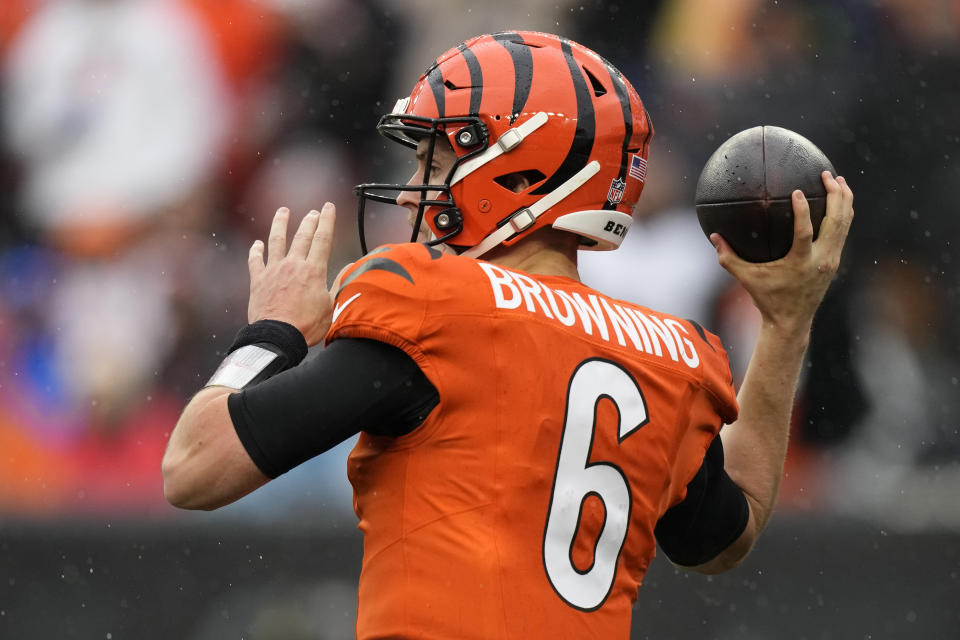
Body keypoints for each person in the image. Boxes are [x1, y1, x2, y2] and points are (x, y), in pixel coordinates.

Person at [162, 31, 854, 639]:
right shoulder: (669, 353)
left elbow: (195, 469)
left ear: (520, 169)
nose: (410, 192)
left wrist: (272, 330)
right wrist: (786, 325)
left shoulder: (434, 304)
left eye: (433, 161)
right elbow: (725, 536)